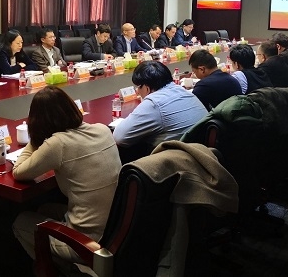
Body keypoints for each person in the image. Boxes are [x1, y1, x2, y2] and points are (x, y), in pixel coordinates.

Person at [12, 86, 120, 268]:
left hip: (88, 242)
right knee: (44, 208)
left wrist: (35, 137)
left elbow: (19, 171)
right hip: (114, 228)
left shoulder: (58, 144)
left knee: (20, 221)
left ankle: (65, 271)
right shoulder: (102, 129)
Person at [113, 61, 208, 161]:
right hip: (203, 155)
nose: (137, 91)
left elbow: (119, 137)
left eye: (138, 87)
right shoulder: (183, 91)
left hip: (179, 162)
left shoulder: (154, 103)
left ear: (146, 88)